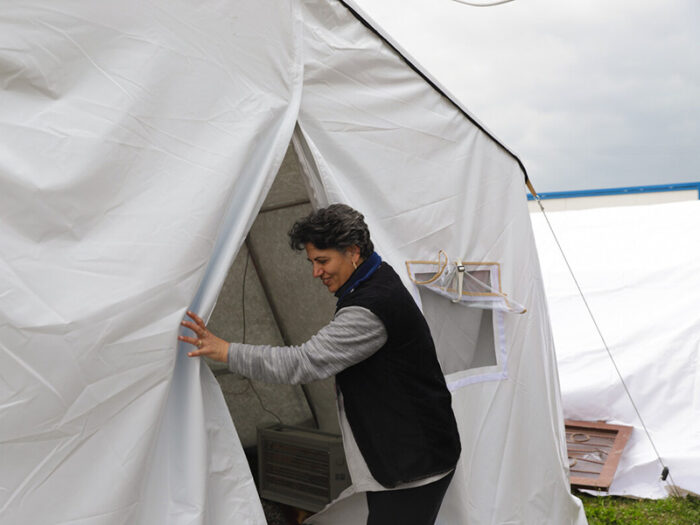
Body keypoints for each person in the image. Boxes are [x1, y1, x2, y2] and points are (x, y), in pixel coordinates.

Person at [179, 204, 461, 525]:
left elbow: (302, 363)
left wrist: (226, 351)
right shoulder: (375, 278)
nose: (316, 272)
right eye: (312, 262)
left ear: (353, 252)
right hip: (412, 452)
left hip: (414, 464)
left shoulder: (370, 307)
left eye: (323, 261)